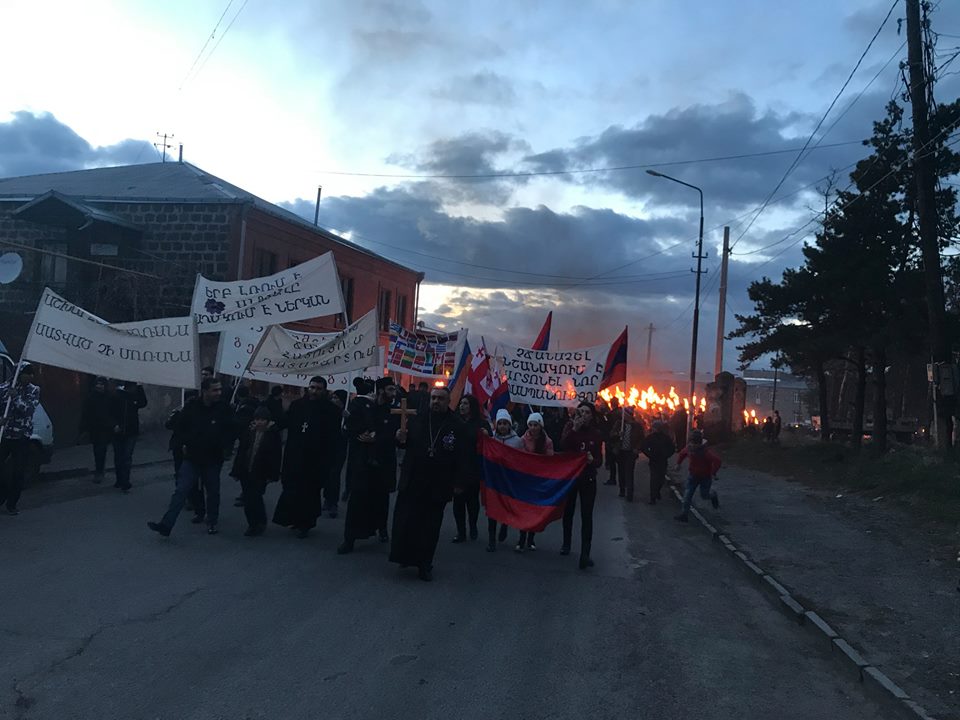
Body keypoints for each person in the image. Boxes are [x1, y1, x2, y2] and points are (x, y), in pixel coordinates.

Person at [390, 385, 463, 581]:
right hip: (413, 479)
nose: (436, 402)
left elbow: (460, 456)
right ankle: (404, 557)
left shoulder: (456, 424)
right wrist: (400, 439)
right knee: (407, 522)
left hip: (437, 484)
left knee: (429, 528)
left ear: (448, 402)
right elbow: (404, 443)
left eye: (440, 399)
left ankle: (424, 564)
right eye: (433, 398)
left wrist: (458, 482)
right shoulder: (417, 419)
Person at [148, 378, 236, 536]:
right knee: (181, 490)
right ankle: (166, 525)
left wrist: (225, 447)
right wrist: (182, 444)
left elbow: (230, 430)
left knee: (213, 491)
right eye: (215, 390)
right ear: (205, 391)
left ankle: (212, 521)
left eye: (219, 389)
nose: (218, 393)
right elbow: (179, 428)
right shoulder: (191, 407)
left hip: (213, 459)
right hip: (192, 457)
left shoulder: (223, 409)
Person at [273, 376, 341, 538]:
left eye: (318, 388)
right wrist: (270, 423)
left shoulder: (330, 410)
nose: (314, 391)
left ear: (324, 390)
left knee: (309, 492)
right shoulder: (297, 405)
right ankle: (293, 519)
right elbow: (284, 421)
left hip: (316, 459)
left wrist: (330, 460)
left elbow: (333, 437)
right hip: (295, 455)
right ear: (307, 388)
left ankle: (305, 524)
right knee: (291, 488)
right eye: (312, 387)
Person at [338, 377, 396, 553]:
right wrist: (356, 430)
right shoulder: (363, 407)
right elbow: (350, 429)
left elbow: (393, 434)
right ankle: (349, 539)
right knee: (357, 500)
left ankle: (382, 528)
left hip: (383, 463)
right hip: (363, 462)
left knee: (381, 499)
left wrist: (376, 438)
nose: (394, 394)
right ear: (381, 391)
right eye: (390, 390)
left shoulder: (393, 411)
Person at [560, 402, 604, 569]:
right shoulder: (570, 428)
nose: (584, 415)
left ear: (591, 416)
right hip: (571, 478)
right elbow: (563, 445)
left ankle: (585, 553)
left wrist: (594, 461)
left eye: (587, 412)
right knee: (568, 511)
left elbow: (600, 460)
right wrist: (574, 429)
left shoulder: (596, 434)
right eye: (581, 412)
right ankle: (566, 543)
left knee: (587, 516)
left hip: (588, 478)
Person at [230, 406, 282, 536]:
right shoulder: (249, 431)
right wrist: (236, 470)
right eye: (257, 419)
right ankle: (252, 523)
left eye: (262, 420)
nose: (259, 422)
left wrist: (273, 474)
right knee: (248, 498)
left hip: (261, 471)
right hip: (246, 469)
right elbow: (242, 451)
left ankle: (260, 521)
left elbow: (276, 456)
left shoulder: (273, 434)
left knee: (256, 497)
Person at [0, 363, 40, 515]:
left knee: (18, 471)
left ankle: (12, 503)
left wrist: (15, 397)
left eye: (32, 374)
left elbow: (28, 410)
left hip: (21, 437)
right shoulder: (3, 389)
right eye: (27, 373)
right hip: (5, 435)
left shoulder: (34, 390)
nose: (30, 376)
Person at [452, 394, 490, 544]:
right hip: (457, 467)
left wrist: (487, 436)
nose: (462, 406)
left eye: (466, 403)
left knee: (472, 501)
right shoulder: (455, 422)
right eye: (461, 403)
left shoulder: (481, 424)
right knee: (458, 501)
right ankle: (461, 532)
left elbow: (490, 444)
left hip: (474, 467)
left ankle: (473, 525)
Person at [516, 412, 554, 552]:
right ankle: (521, 539)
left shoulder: (547, 442)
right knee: (524, 509)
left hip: (538, 480)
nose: (532, 428)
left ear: (540, 426)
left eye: (535, 425)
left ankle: (531, 539)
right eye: (530, 425)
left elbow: (549, 460)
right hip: (526, 479)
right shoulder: (522, 440)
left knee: (534, 509)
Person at [486, 408, 522, 552]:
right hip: (494, 479)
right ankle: (491, 539)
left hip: (508, 480)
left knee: (506, 507)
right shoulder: (491, 438)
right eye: (500, 423)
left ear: (509, 424)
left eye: (505, 423)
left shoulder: (517, 441)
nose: (502, 426)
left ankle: (505, 525)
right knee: (492, 510)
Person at [674, 429, 721, 523]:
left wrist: (713, 472)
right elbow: (682, 454)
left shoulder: (705, 452)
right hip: (693, 476)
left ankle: (713, 495)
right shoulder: (689, 448)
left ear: (699, 443)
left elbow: (717, 461)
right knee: (687, 495)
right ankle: (684, 514)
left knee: (704, 495)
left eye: (695, 443)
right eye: (692, 442)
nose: (693, 445)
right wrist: (678, 464)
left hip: (705, 477)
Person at [110, 380, 147, 493]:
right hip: (118, 431)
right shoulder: (116, 395)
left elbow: (143, 403)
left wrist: (140, 386)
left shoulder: (134, 396)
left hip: (131, 432)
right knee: (118, 457)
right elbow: (109, 412)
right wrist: (114, 425)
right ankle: (119, 479)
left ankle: (125, 481)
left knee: (127, 457)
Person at [79, 376, 113, 484]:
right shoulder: (91, 398)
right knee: (97, 450)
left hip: (105, 428)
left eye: (102, 384)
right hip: (95, 428)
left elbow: (113, 412)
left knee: (101, 450)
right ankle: (99, 470)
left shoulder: (109, 397)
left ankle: (100, 471)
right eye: (98, 384)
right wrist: (84, 428)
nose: (100, 386)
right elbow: (86, 414)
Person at [325, 389, 348, 518]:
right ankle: (327, 498)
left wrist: (347, 418)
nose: (334, 400)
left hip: (339, 448)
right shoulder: (328, 411)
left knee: (334, 474)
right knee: (327, 474)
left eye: (337, 398)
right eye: (333, 397)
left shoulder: (346, 413)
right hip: (327, 447)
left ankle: (333, 503)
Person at [641, 420, 676, 504]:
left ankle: (657, 491)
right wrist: (649, 454)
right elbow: (644, 446)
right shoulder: (650, 437)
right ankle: (652, 498)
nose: (654, 429)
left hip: (663, 461)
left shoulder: (666, 438)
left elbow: (672, 448)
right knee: (653, 479)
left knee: (661, 479)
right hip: (654, 461)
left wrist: (666, 455)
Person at [616, 407, 645, 502]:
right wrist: (618, 434)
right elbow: (612, 434)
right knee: (621, 471)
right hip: (621, 452)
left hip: (631, 452)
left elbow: (642, 438)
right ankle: (622, 490)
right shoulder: (619, 424)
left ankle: (630, 493)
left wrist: (637, 448)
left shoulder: (637, 426)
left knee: (629, 472)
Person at [603, 398, 621, 486]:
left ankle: (612, 479)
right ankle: (622, 482)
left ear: (611, 404)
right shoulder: (622, 413)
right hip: (620, 439)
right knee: (621, 462)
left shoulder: (610, 415)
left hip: (612, 440)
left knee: (612, 461)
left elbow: (606, 426)